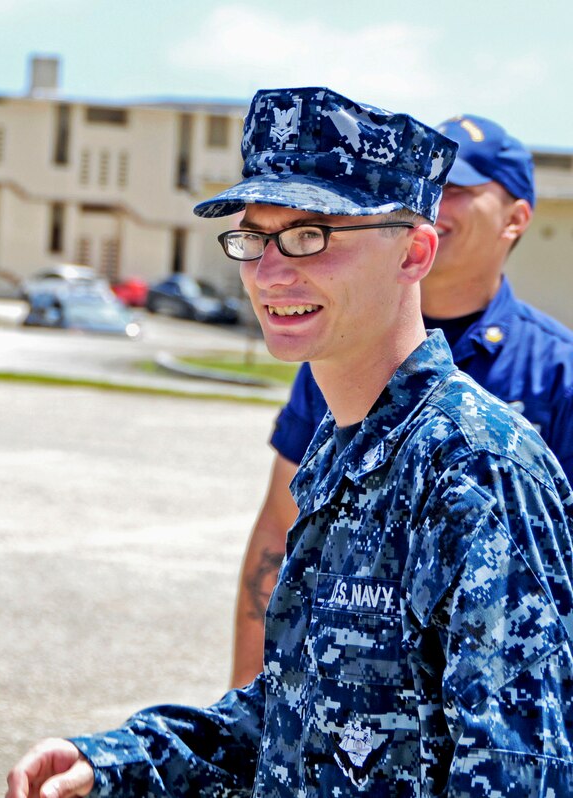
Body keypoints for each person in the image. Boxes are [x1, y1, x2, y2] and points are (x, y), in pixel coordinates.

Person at [6, 86, 573, 798]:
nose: (271, 273)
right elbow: (297, 711)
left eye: (311, 236)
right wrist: (117, 761)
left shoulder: (473, 468)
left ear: (414, 252)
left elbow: (519, 774)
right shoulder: (343, 449)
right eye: (253, 238)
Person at [229, 113, 573, 688]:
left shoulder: (554, 374)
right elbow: (279, 529)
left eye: (459, 189)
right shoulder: (336, 347)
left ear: (517, 218)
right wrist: (248, 701)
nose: (435, 200)